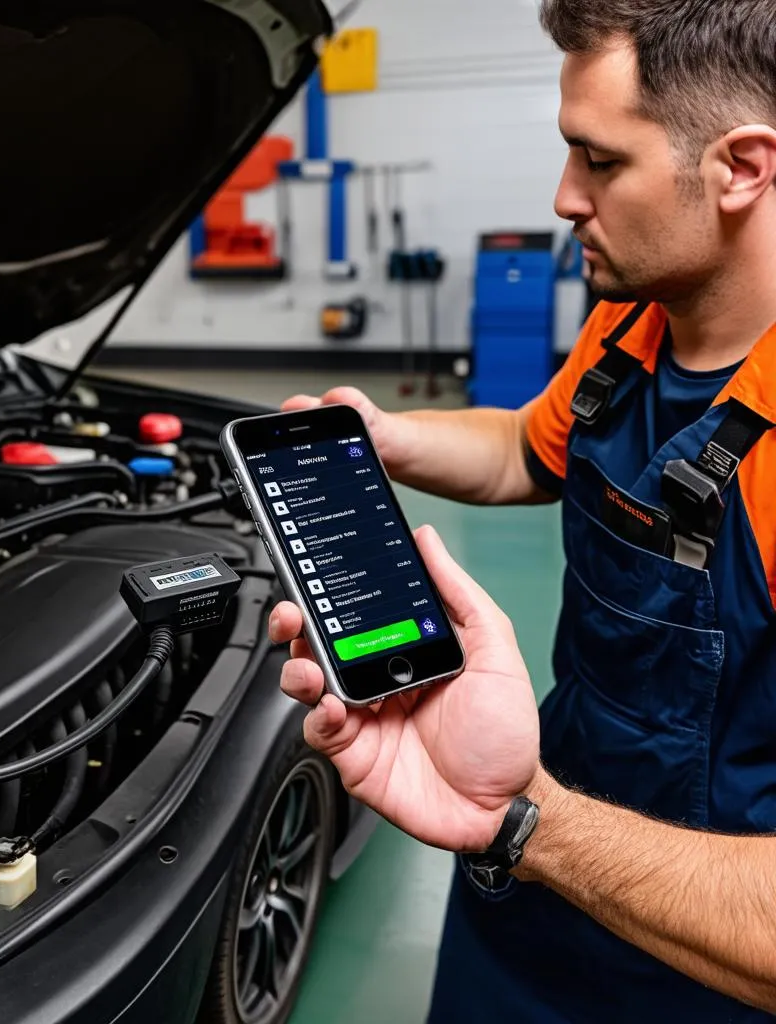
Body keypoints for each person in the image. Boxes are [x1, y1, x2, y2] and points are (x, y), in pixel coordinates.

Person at [269, 1, 776, 1020]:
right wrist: (383, 434)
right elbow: (525, 449)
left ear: (740, 167)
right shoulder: (630, 325)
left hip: (701, 947)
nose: (562, 198)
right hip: (530, 874)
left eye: (598, 161)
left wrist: (523, 821)